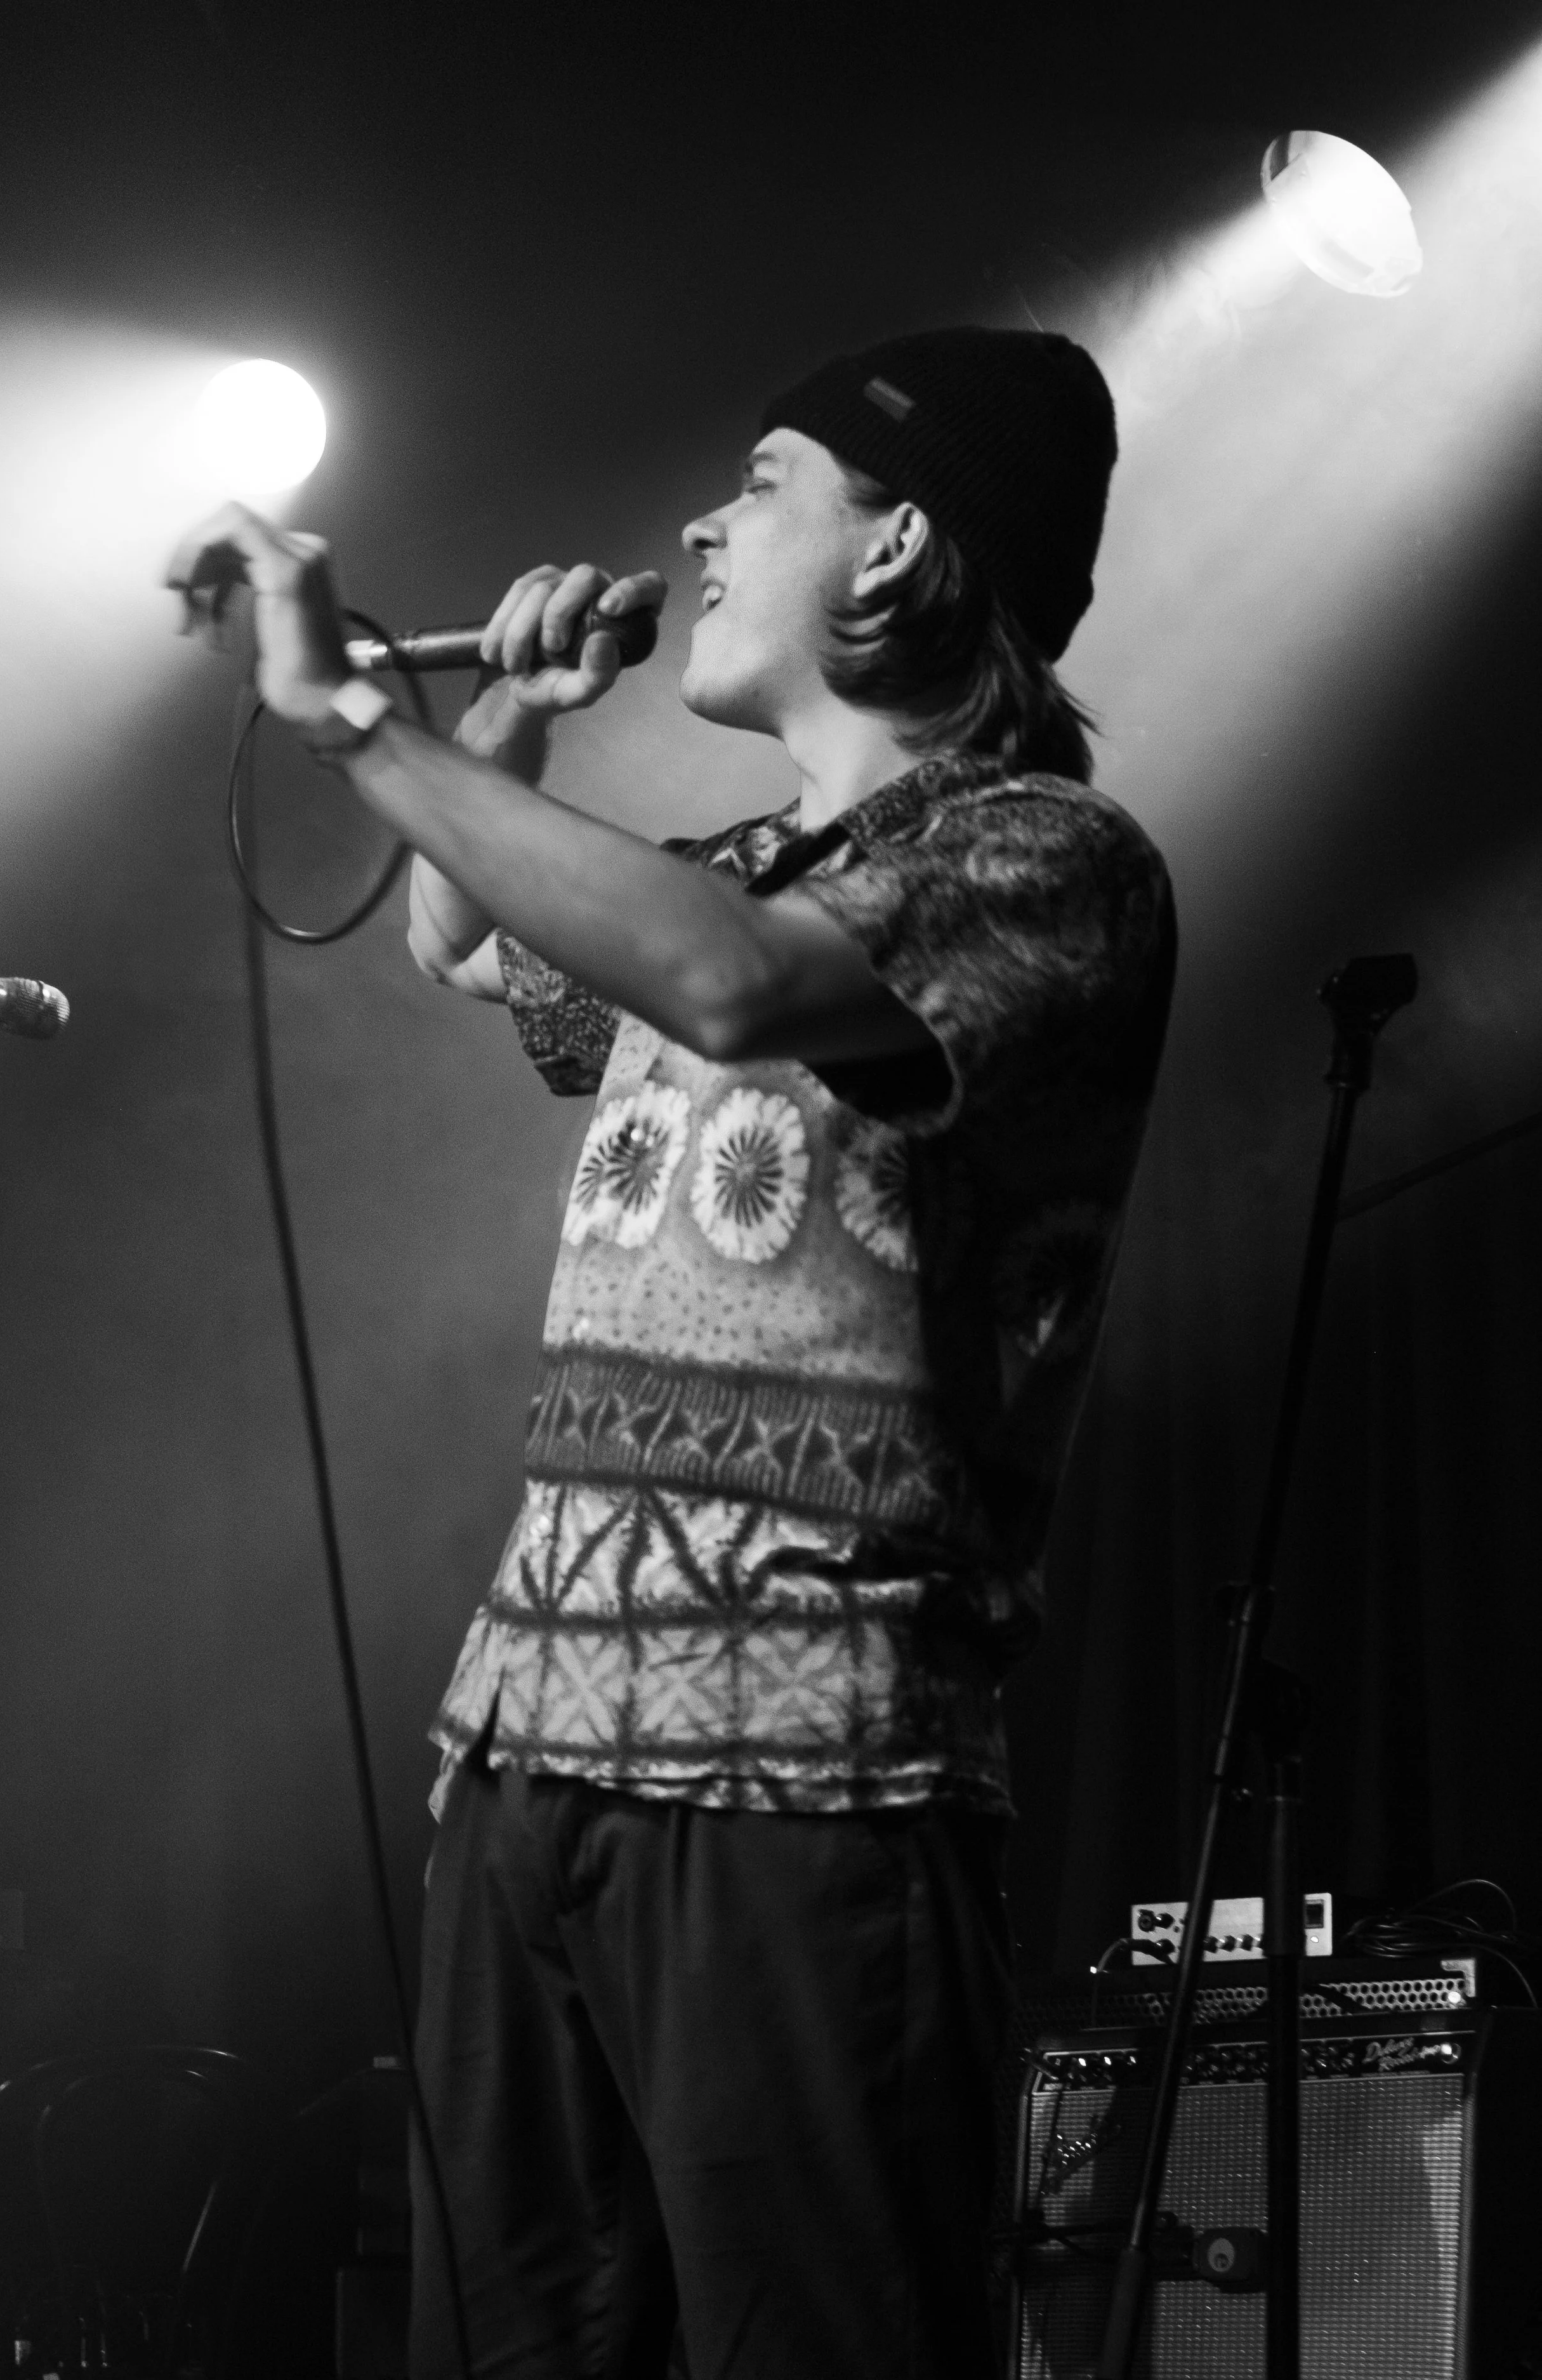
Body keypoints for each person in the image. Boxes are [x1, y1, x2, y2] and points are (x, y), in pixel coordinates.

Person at [169, 326, 1176, 2380]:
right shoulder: (740, 863)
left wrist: (353, 713)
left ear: (898, 546)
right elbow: (468, 937)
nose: (705, 528)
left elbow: (723, 985)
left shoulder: (1045, 861)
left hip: (805, 1781)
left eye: (765, 482)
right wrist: (512, 722)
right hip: (531, 1756)